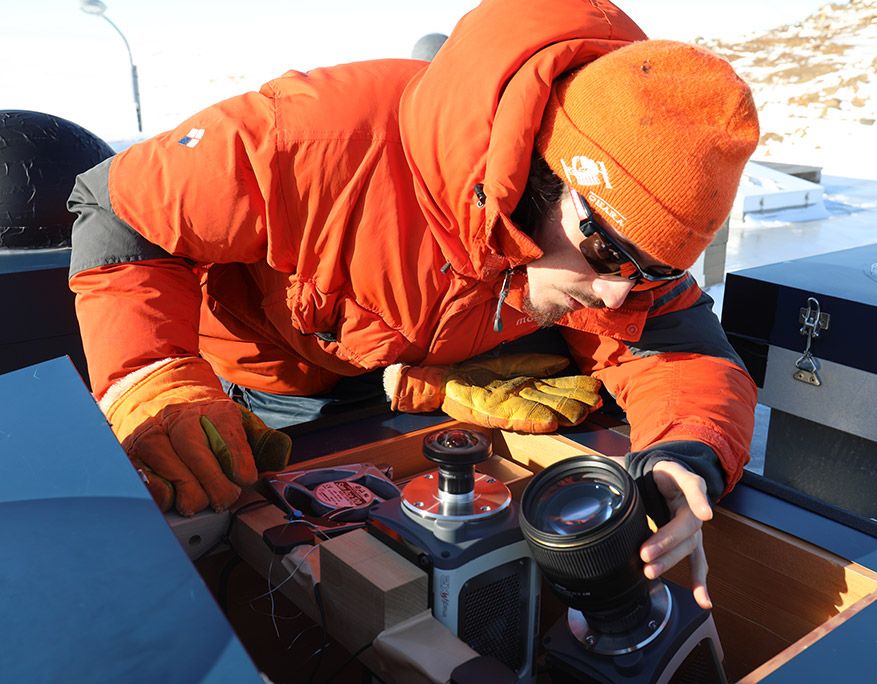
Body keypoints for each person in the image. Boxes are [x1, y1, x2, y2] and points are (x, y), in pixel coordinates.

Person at [68, 0, 759, 609]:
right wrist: (148, 375)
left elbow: (681, 353)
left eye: (651, 269)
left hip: (414, 387)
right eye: (606, 252)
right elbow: (118, 211)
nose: (616, 291)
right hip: (268, 393)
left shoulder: (613, 250)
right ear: (546, 176)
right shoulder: (309, 137)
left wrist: (684, 455)